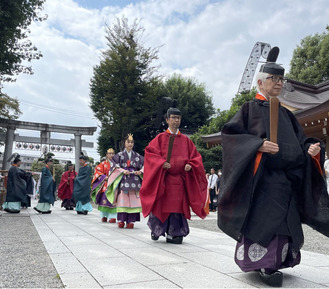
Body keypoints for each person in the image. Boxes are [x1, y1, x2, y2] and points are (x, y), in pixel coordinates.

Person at [218, 47, 329, 287]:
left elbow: (302, 140)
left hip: (287, 179)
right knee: (266, 221)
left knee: (285, 223)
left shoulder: (288, 115)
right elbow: (231, 136)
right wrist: (257, 145)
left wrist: (312, 147)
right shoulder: (249, 109)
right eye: (274, 79)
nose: (279, 83)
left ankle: (278, 262)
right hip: (262, 179)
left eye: (281, 79)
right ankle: (265, 265)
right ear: (260, 82)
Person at [140, 108, 208, 244]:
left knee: (177, 207)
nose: (176, 120)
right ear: (167, 120)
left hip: (179, 180)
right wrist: (160, 163)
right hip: (163, 179)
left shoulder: (186, 141)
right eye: (173, 117)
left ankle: (175, 233)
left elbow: (196, 157)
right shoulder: (159, 138)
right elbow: (150, 154)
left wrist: (191, 164)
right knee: (161, 205)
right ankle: (157, 229)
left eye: (178, 118)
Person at [106, 134, 144, 229]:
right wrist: (123, 171)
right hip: (124, 179)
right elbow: (114, 166)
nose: (130, 144)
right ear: (124, 143)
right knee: (123, 200)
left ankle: (131, 221)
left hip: (135, 179)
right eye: (128, 142)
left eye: (132, 142)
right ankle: (121, 220)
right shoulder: (119, 155)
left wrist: (140, 171)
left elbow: (145, 165)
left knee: (134, 200)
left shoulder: (138, 156)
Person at [91, 148, 117, 222]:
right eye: (109, 153)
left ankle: (112, 217)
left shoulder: (117, 164)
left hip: (113, 183)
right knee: (104, 200)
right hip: (105, 183)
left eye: (113, 153)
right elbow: (97, 171)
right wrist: (104, 177)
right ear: (106, 155)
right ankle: (104, 215)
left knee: (113, 200)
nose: (111, 155)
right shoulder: (103, 164)